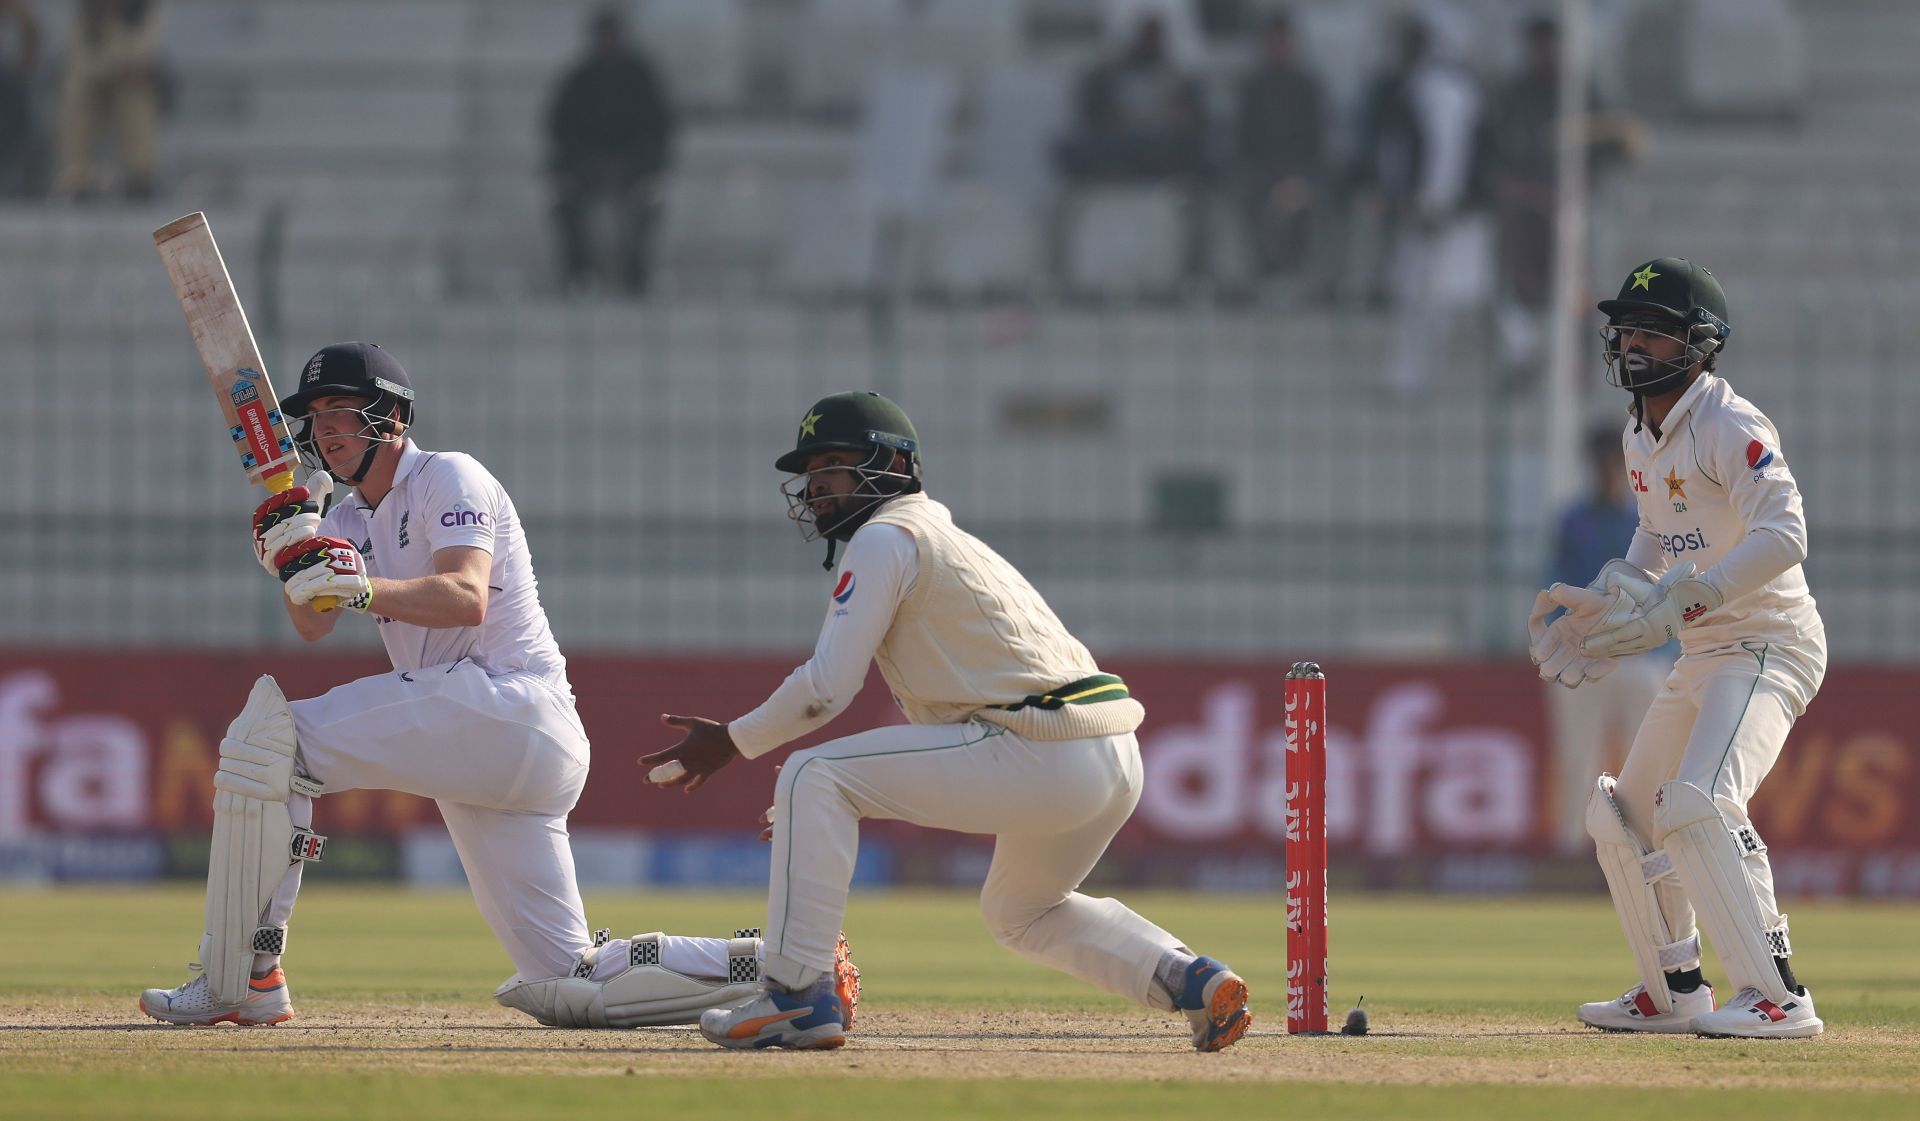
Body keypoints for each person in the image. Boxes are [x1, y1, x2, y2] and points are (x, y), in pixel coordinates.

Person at [139, 342, 856, 1030]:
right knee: (567, 981)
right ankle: (791, 966)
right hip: (488, 746)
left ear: (390, 417)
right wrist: (292, 547)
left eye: (340, 411)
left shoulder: (448, 475)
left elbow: (464, 596)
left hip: (510, 703)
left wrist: (355, 586)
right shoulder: (351, 517)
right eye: (315, 416)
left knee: (270, 739)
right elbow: (313, 625)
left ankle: (244, 979)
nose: (323, 431)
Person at [642, 392, 1252, 1053]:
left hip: (1038, 749)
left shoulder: (885, 536)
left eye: (836, 463)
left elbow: (826, 688)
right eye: (811, 469)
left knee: (812, 773)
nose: (817, 484)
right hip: (1107, 755)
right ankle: (1190, 977)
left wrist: (731, 741)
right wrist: (806, 818)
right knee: (1020, 912)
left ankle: (795, 996)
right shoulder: (942, 537)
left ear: (893, 463)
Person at [1529, 259, 1826, 1038]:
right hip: (1703, 652)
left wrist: (1685, 600)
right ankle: (1673, 988)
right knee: (1620, 814)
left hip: (1768, 644)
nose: (1632, 342)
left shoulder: (1733, 426)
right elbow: (1659, 536)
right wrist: (1618, 589)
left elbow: (1786, 534)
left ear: (1698, 344)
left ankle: (1777, 994)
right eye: (1627, 327)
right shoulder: (1640, 432)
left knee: (1697, 802)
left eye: (1653, 330)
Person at [1539, 425, 1672, 855]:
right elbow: (1555, 586)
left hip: (1642, 656)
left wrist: (1665, 648)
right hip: (1584, 654)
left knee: (1646, 757)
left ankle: (1645, 847)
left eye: (1614, 464)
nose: (1607, 473)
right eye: (1601, 464)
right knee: (1579, 757)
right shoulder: (1573, 522)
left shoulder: (1649, 518)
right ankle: (1574, 853)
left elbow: (1670, 585)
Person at [545, 5, 676, 296]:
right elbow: (560, 129)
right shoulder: (580, 80)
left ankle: (636, 274)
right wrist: (588, 163)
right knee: (564, 201)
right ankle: (578, 273)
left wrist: (636, 162)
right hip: (585, 170)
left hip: (635, 170)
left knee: (648, 204)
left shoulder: (641, 78)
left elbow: (658, 127)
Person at [1234, 8, 1326, 285]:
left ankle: (1296, 271)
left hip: (1300, 170)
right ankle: (1265, 271)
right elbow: (1244, 137)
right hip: (1260, 170)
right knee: (1250, 198)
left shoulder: (1307, 87)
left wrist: (1294, 170)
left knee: (1302, 201)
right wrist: (1268, 167)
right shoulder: (1253, 87)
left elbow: (1314, 136)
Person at [54, 0, 162, 201]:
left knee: (135, 96)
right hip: (98, 78)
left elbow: (144, 48)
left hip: (136, 78)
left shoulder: (147, 7)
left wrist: (120, 60)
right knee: (77, 93)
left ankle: (139, 175)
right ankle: (77, 177)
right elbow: (82, 58)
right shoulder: (86, 12)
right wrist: (108, 66)